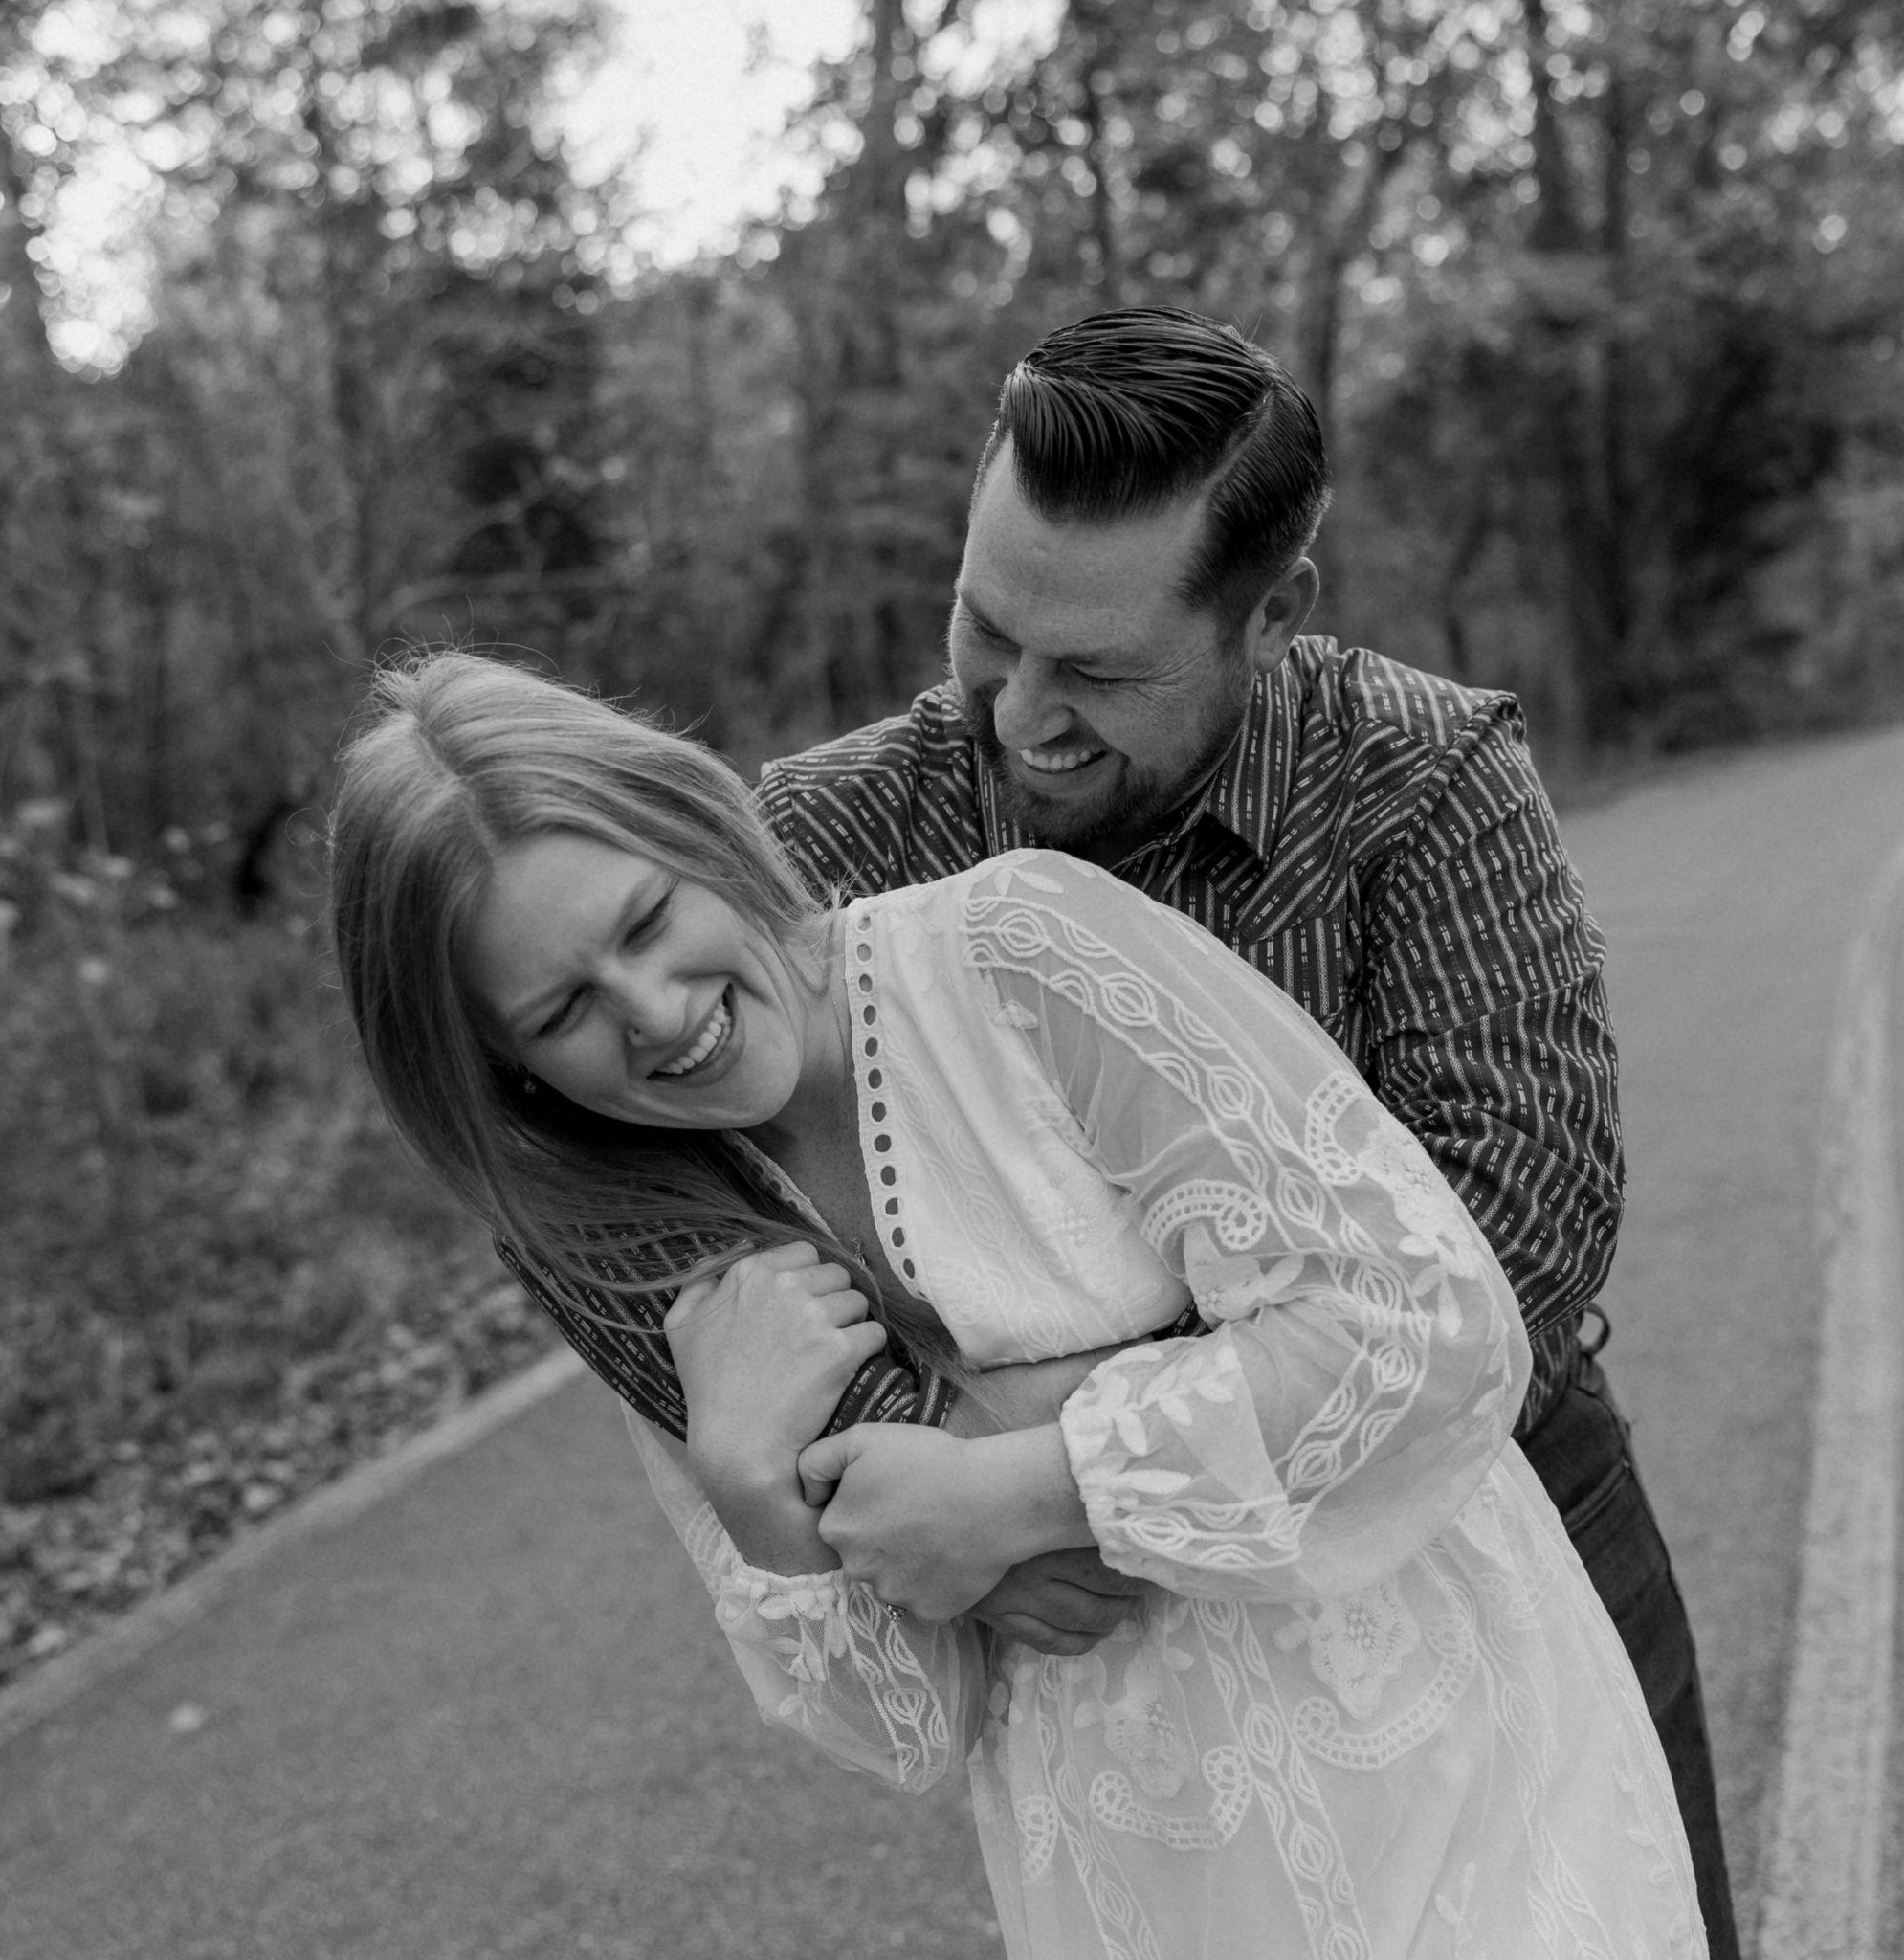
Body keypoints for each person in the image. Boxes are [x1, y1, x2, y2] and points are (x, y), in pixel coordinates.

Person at [497, 306, 1739, 1951]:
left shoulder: (1424, 777)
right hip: (1111, 1693)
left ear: (1271, 614)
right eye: (986, 629)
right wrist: (928, 1504)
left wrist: (1027, 1478)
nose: (1019, 716)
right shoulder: (825, 833)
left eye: (1095, 672)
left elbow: (1513, 1225)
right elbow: (628, 1222)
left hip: (1486, 1517)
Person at [328, 650, 1706, 1958]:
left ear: (700, 834)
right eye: (563, 1012)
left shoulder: (1018, 953)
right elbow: (915, 1730)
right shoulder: (676, 1278)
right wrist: (754, 1494)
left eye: (645, 921)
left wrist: (1014, 1489)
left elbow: (1420, 1323)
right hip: (1135, 1878)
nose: (651, 1009)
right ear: (509, 1071)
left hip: (1452, 1767)